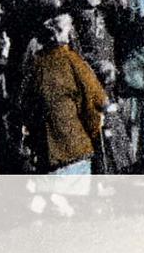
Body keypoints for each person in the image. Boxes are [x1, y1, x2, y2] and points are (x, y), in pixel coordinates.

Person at [23, 13, 110, 175]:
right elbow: (98, 100)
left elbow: (26, 106)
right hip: (75, 147)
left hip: (46, 153)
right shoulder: (72, 60)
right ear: (61, 33)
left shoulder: (35, 65)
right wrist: (93, 132)